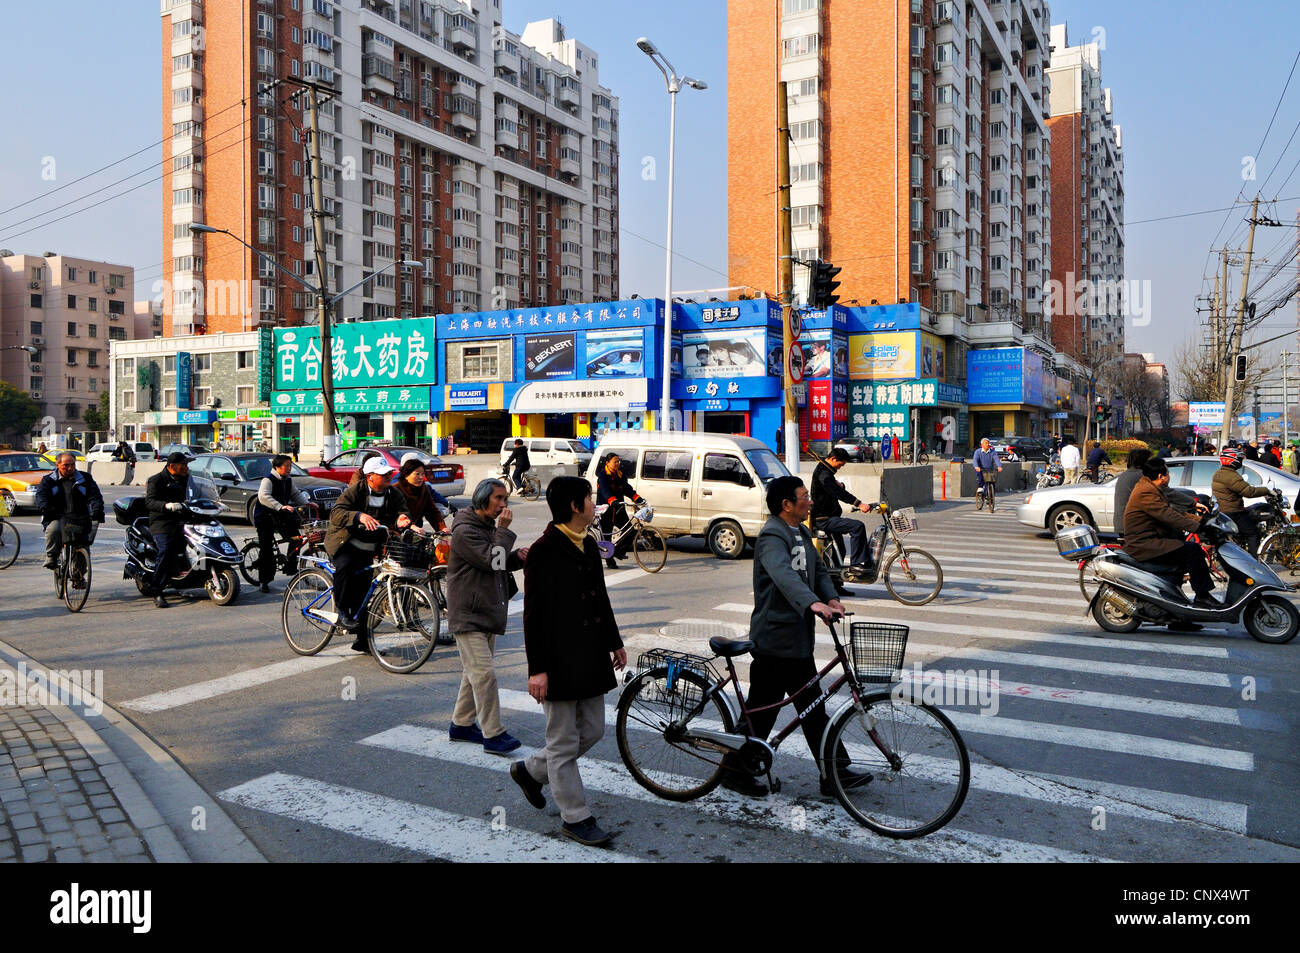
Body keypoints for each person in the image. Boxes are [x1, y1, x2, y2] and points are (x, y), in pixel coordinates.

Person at [723, 475, 867, 798]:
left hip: (797, 641)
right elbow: (784, 576)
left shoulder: (800, 531)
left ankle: (834, 772)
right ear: (787, 505)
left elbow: (816, 572)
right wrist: (812, 602)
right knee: (764, 709)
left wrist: (830, 598)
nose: (809, 500)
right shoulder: (772, 536)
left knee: (812, 707)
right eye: (804, 496)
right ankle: (735, 770)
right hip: (775, 640)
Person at [512, 476, 626, 846]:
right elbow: (534, 615)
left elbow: (600, 599)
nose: (595, 505)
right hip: (558, 660)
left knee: (592, 729)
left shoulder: (589, 544)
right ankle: (576, 817)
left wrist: (615, 642)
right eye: (590, 499)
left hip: (591, 655)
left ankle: (531, 770)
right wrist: (538, 670)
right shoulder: (544, 551)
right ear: (575, 507)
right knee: (562, 743)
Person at [445, 479, 528, 755]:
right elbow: (492, 560)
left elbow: (497, 561)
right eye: (499, 498)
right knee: (485, 675)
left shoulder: (484, 526)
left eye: (505, 499)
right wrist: (503, 532)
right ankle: (493, 734)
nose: (503, 505)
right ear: (482, 499)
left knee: (475, 674)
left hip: (485, 610)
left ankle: (461, 724)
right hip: (469, 614)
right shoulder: (466, 530)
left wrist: (517, 557)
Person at [323, 457, 411, 649]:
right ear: (370, 477)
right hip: (345, 544)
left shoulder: (393, 494)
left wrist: (402, 518)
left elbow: (401, 512)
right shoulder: (355, 491)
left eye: (389, 473)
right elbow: (336, 513)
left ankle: (363, 641)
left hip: (370, 548)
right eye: (384, 474)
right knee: (345, 568)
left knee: (365, 593)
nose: (389, 476)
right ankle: (342, 611)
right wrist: (358, 516)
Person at [1123, 458, 1217, 608]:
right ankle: (1203, 596)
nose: (1169, 476)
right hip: (1144, 544)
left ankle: (1176, 609)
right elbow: (1168, 515)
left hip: (1153, 539)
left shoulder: (1150, 487)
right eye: (1168, 473)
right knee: (1193, 551)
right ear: (1161, 476)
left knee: (1183, 557)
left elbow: (1173, 510)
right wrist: (1199, 527)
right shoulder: (1146, 492)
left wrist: (1201, 520)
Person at [810, 448, 875, 594]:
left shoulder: (825, 470)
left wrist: (839, 485)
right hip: (824, 520)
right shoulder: (824, 474)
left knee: (840, 550)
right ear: (833, 459)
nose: (840, 467)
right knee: (857, 526)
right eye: (840, 464)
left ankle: (835, 587)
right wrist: (859, 503)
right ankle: (857, 565)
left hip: (830, 517)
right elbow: (838, 493)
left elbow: (833, 488)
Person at [35, 452, 104, 573]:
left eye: (72, 465)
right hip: (57, 517)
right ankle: (51, 557)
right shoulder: (48, 480)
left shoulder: (85, 478)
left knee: (83, 545)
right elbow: (41, 497)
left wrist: (97, 509)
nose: (70, 468)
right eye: (66, 465)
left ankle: (80, 575)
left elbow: (95, 496)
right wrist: (46, 508)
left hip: (80, 517)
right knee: (54, 530)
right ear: (57, 465)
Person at [253, 453, 310, 593]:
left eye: (290, 466)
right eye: (287, 466)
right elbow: (263, 496)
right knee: (266, 549)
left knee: (296, 538)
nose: (289, 468)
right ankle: (264, 581)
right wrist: (280, 506)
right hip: (265, 517)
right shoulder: (268, 479)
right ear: (277, 467)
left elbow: (295, 494)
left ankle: (290, 567)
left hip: (280, 517)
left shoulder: (287, 480)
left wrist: (308, 503)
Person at [144, 452, 193, 608]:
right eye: (183, 465)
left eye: (186, 465)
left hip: (183, 519)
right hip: (162, 522)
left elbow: (197, 494)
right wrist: (165, 505)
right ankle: (157, 589)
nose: (186, 468)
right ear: (172, 466)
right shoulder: (156, 480)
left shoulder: (187, 479)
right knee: (166, 549)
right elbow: (150, 502)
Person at [1211, 448, 1273, 556]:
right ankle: (1255, 561)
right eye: (1239, 459)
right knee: (1253, 533)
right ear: (1232, 460)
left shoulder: (1219, 473)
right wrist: (1267, 490)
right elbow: (1249, 492)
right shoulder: (1231, 476)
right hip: (1233, 512)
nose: (1241, 461)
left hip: (1223, 510)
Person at [595, 453, 646, 570]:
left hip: (618, 509)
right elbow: (604, 490)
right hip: (606, 510)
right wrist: (612, 500)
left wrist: (638, 498)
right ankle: (609, 560)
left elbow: (626, 488)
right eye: (615, 462)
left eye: (618, 461)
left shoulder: (620, 475)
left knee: (630, 531)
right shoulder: (603, 475)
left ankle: (617, 551)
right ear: (608, 463)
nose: (617, 464)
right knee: (606, 537)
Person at [394, 456, 448, 534]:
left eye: (423, 474)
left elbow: (432, 512)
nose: (421, 477)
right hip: (395, 534)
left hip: (415, 531)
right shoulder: (396, 489)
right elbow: (393, 515)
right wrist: (410, 526)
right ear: (406, 475)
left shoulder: (424, 489)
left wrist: (442, 528)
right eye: (417, 474)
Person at [972, 437, 1002, 505]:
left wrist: (999, 466)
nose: (987, 444)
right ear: (982, 444)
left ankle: (990, 498)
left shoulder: (992, 452)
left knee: (992, 482)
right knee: (981, 478)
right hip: (980, 469)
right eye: (986, 443)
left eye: (988, 443)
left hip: (989, 469)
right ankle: (980, 488)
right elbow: (975, 460)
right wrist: (976, 466)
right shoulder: (978, 452)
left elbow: (996, 459)